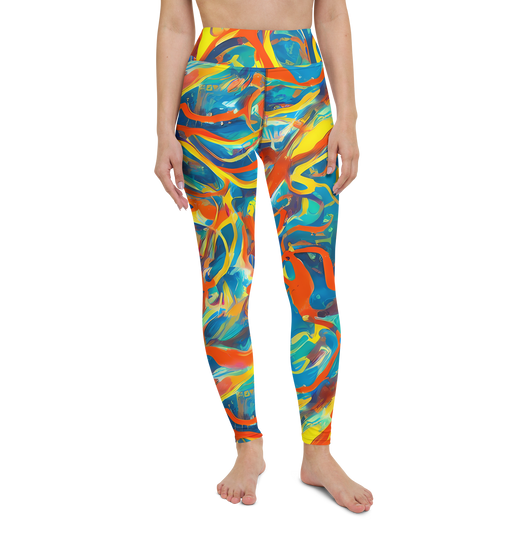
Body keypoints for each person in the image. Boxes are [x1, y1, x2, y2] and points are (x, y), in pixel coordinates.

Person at [153, 0, 372, 512]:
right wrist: (162, 131)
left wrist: (349, 118)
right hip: (213, 85)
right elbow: (175, 22)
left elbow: (332, 14)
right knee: (224, 280)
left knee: (315, 283)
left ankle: (318, 452)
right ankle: (247, 445)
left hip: (303, 84)